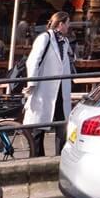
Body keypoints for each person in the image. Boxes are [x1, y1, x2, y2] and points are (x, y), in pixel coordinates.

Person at [23, 12, 74, 157]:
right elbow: (33, 60)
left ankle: (60, 158)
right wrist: (32, 82)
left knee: (62, 126)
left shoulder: (65, 41)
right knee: (39, 126)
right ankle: (37, 158)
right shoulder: (44, 38)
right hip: (44, 88)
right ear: (61, 24)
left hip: (60, 88)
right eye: (68, 23)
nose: (69, 26)